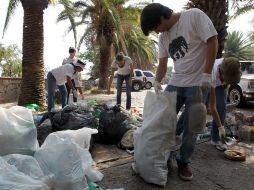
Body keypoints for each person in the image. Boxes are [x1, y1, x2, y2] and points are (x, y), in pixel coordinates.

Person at [140, 3, 218, 181]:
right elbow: (162, 64)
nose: (157, 32)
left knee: (192, 127)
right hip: (176, 82)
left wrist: (206, 74)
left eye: (155, 27)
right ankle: (162, 155)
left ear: (162, 17)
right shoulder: (163, 37)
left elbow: (213, 41)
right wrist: (157, 82)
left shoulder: (193, 16)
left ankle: (184, 161)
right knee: (163, 121)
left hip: (198, 83)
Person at [208, 57, 241, 150]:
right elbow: (212, 107)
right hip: (206, 82)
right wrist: (221, 128)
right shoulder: (212, 75)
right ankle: (177, 131)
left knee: (222, 108)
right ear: (221, 72)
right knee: (196, 108)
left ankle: (216, 139)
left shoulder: (231, 64)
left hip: (220, 84)